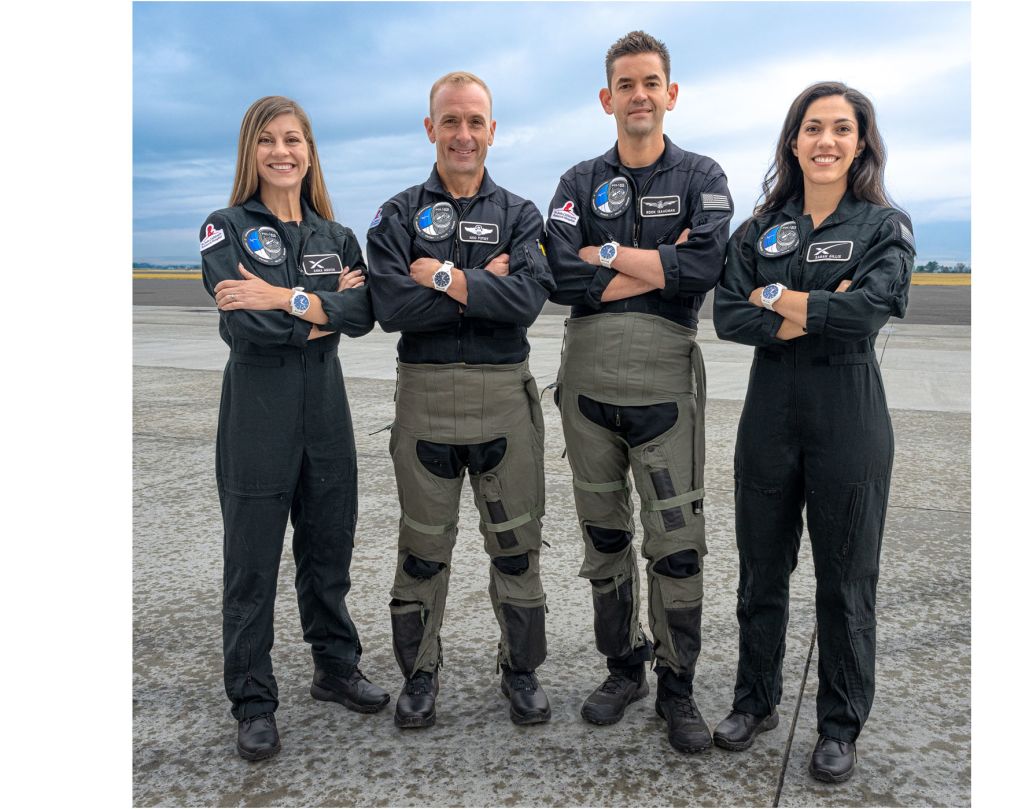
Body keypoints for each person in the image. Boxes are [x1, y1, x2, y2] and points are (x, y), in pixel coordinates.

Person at [711, 81, 915, 782]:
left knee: (846, 579)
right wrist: (823, 303)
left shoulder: (883, 227)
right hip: (770, 412)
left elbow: (872, 310)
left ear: (860, 142)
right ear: (793, 141)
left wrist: (783, 300)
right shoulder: (760, 229)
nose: (826, 140)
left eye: (841, 128)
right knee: (761, 572)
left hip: (848, 410)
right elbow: (729, 316)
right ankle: (755, 699)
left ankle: (838, 724)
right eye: (813, 127)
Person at [544, 31, 733, 753]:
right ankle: (623, 668)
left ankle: (677, 688)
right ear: (607, 98)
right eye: (626, 84)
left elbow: (708, 259)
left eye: (651, 82)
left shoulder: (701, 174)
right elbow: (559, 273)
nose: (639, 95)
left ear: (671, 93)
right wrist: (663, 262)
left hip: (664, 382)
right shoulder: (575, 180)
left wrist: (611, 255)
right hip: (588, 384)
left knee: (677, 546)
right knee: (606, 538)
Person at [365, 72, 556, 728]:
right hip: (426, 401)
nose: (463, 134)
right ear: (431, 129)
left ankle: (521, 669)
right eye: (451, 121)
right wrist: (484, 281)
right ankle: (419, 674)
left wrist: (442, 276)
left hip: (503, 399)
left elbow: (528, 300)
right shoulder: (394, 215)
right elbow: (392, 305)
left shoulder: (522, 216)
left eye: (476, 121)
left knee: (515, 546)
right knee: (423, 549)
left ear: (492, 130)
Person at [200, 96, 387, 761]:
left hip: (326, 411)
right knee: (251, 564)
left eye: (295, 140)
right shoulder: (224, 228)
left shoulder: (335, 237)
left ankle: (335, 668)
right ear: (251, 151)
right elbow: (244, 321)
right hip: (258, 409)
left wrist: (286, 297)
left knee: (328, 550)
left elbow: (362, 310)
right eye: (269, 140)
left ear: (310, 151)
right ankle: (253, 700)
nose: (283, 151)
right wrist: (321, 308)